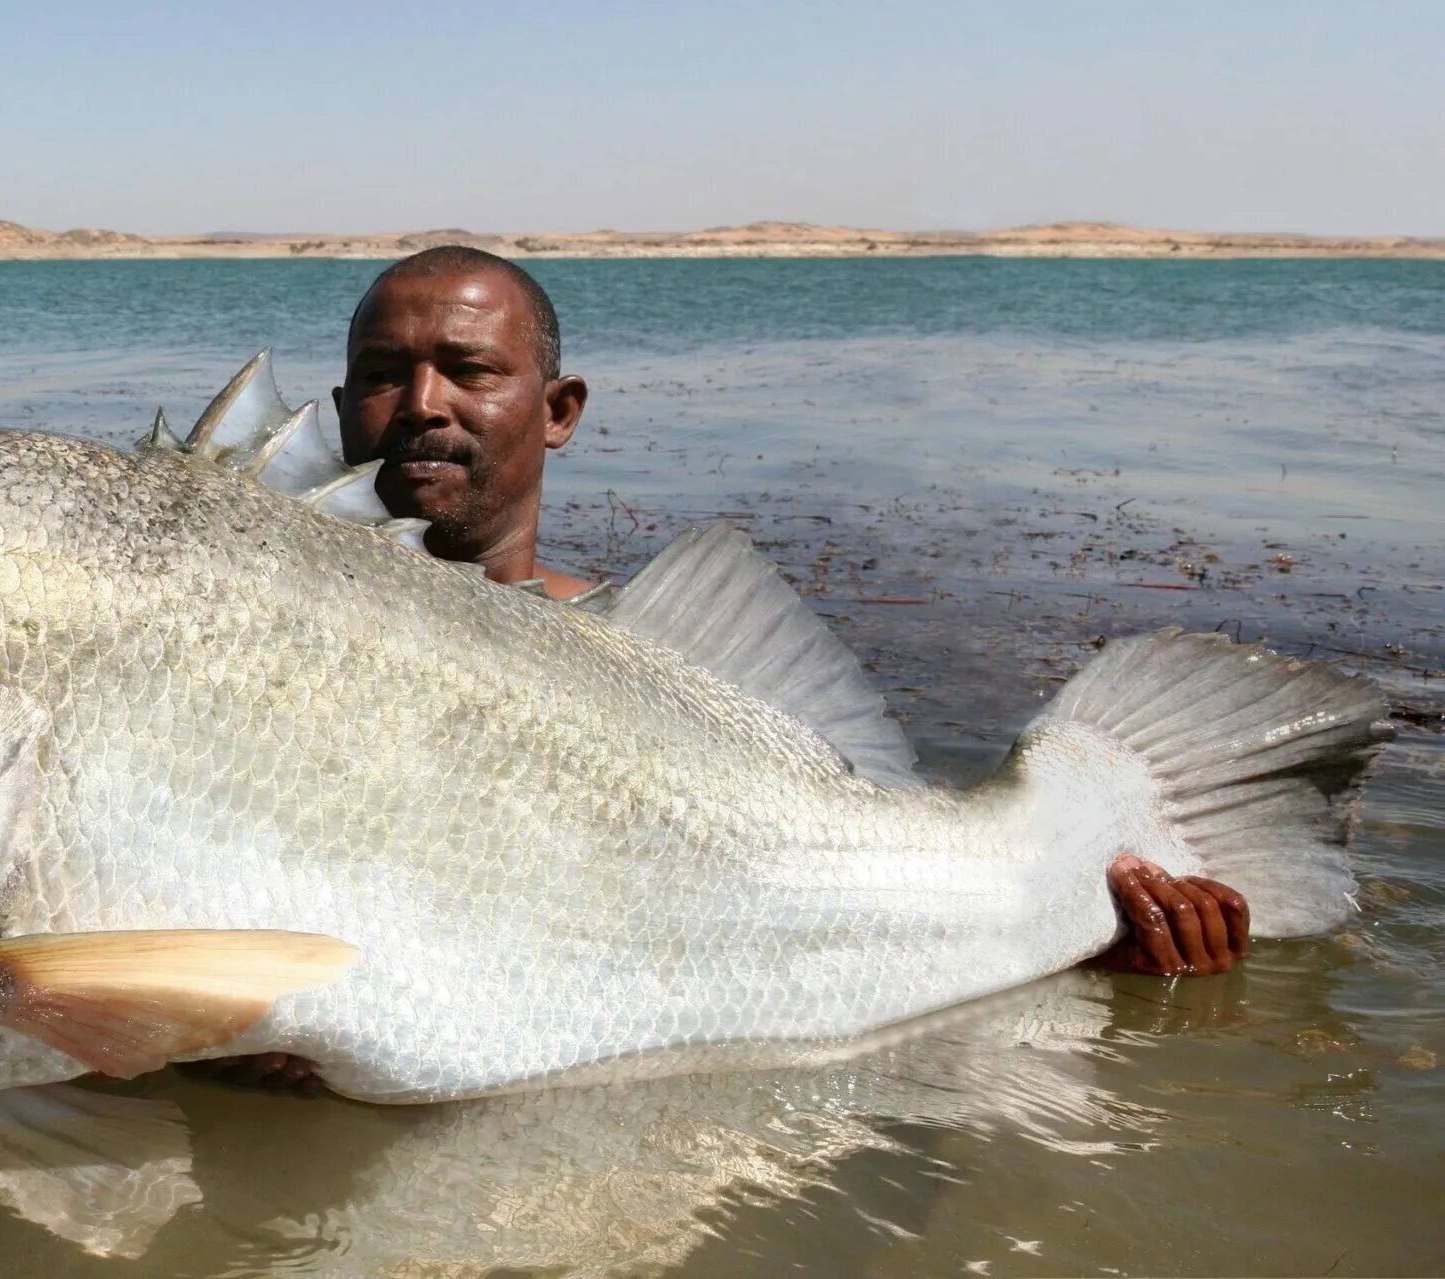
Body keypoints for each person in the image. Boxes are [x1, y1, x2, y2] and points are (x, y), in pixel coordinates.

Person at [202, 248, 1251, 1096]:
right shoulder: (230, 643)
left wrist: (1089, 930)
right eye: (384, 374)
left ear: (559, 408)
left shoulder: (675, 665)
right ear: (342, 410)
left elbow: (867, 899)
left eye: (469, 369)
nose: (422, 402)